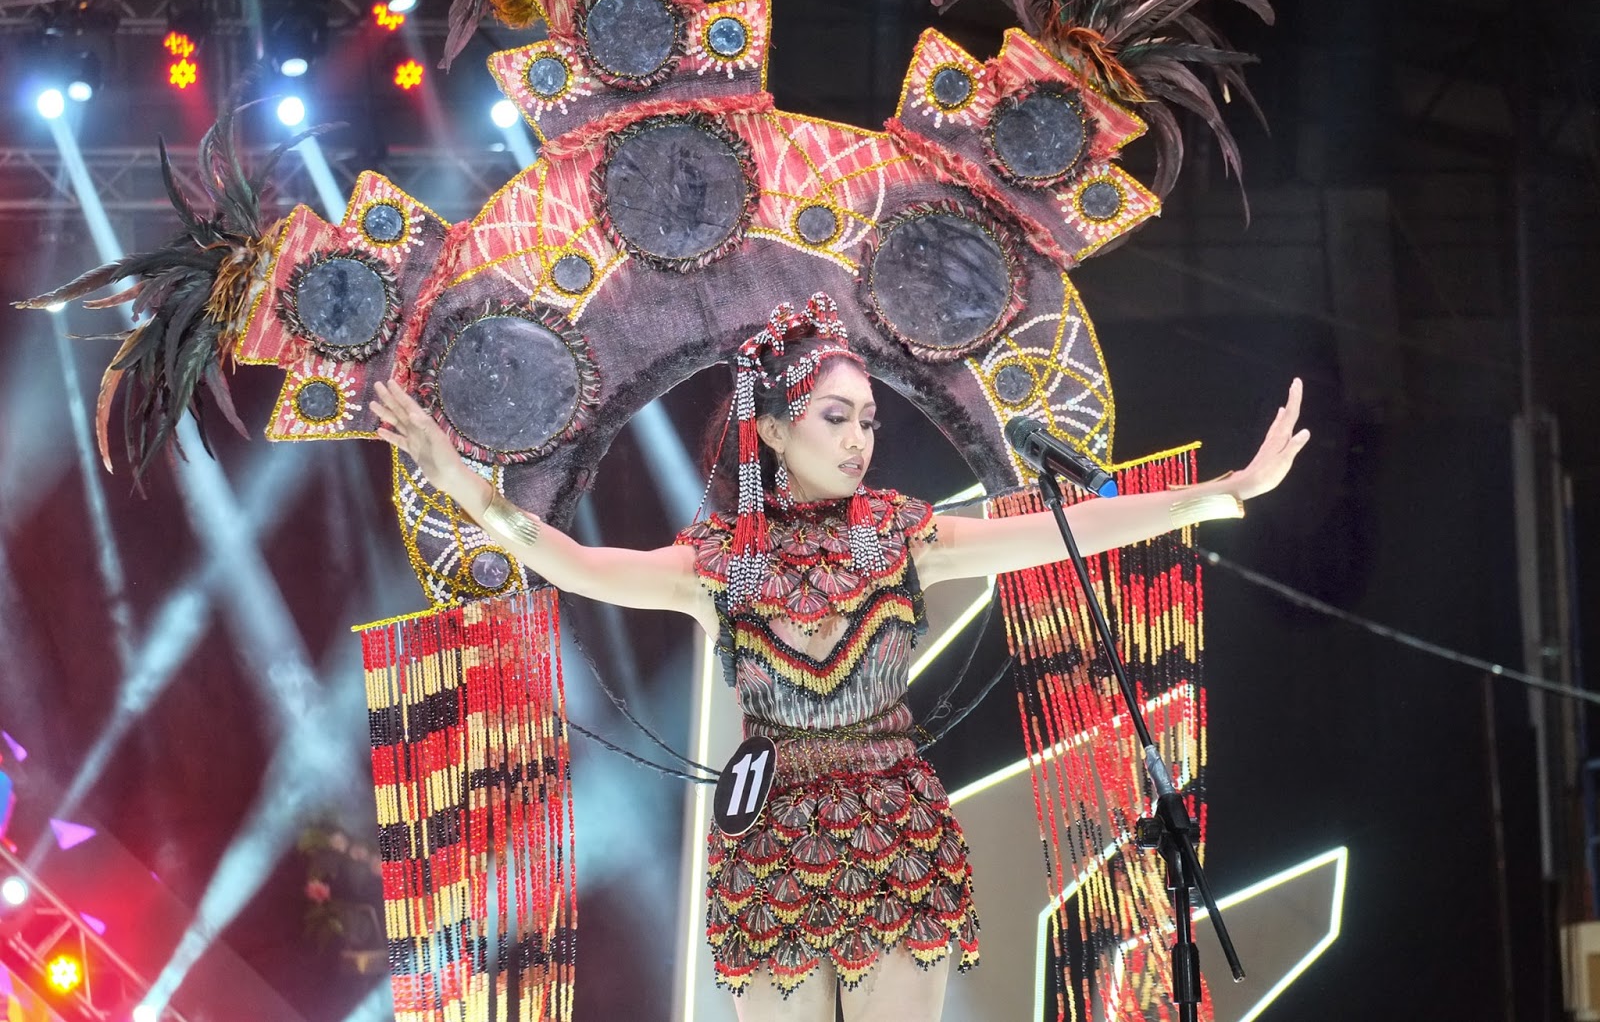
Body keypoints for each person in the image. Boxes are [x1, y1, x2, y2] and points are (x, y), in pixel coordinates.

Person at [370, 292, 1308, 1022]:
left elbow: (1062, 531)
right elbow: (574, 564)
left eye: (867, 421)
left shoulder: (901, 537)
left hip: (894, 830)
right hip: (769, 842)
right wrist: (464, 485)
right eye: (835, 417)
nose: (859, 439)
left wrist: (1221, 491)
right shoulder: (718, 565)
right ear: (774, 429)